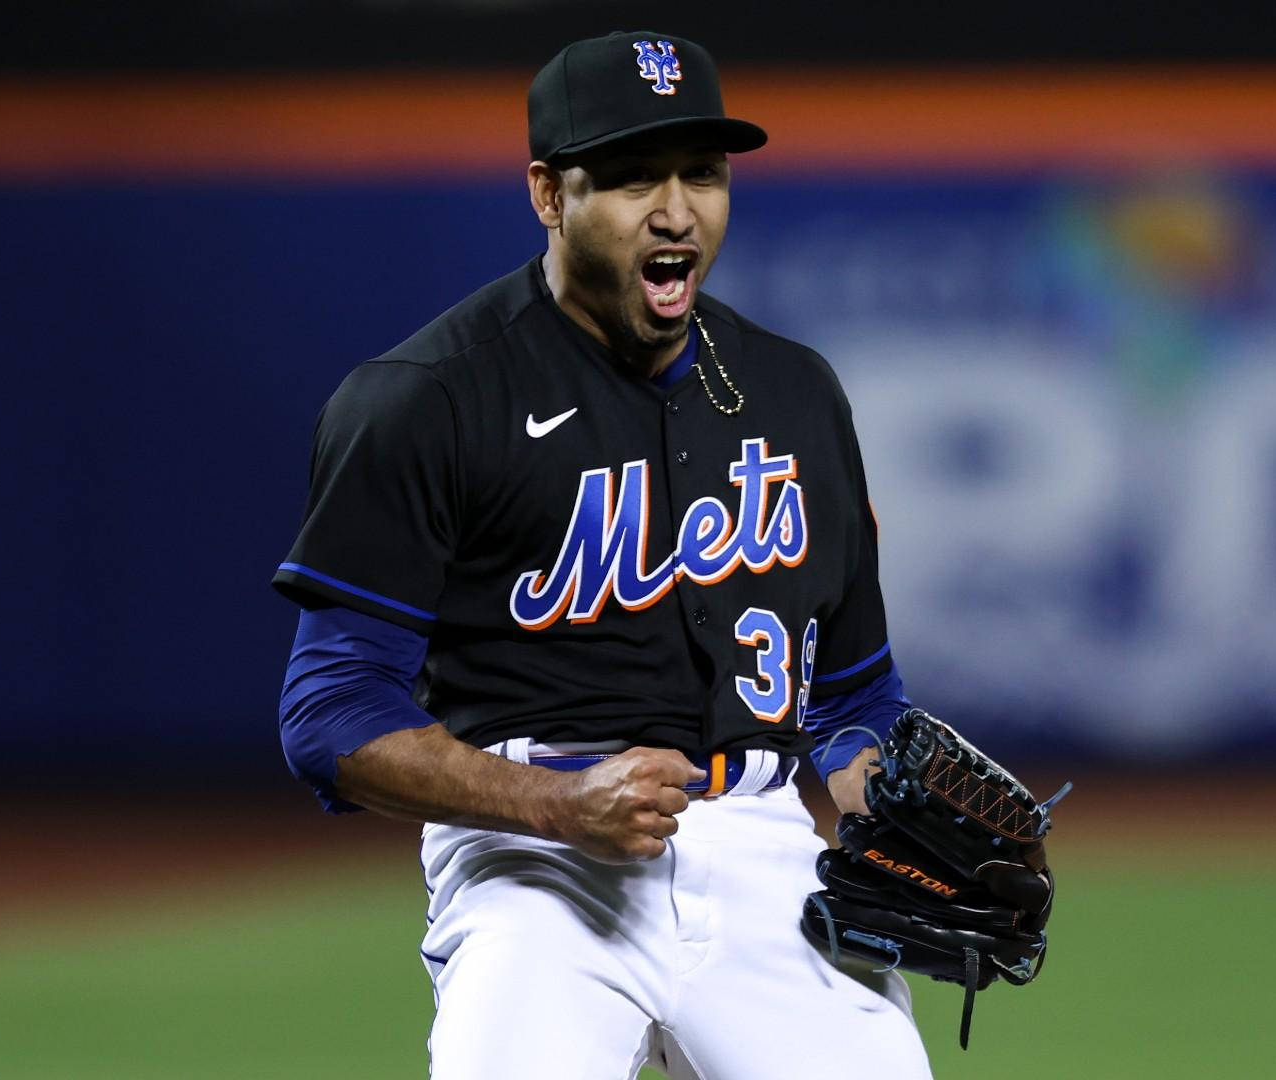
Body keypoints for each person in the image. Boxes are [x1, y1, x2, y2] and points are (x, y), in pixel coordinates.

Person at [272, 30, 934, 1079]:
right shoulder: (426, 399)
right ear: (548, 193)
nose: (676, 210)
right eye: (631, 177)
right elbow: (330, 714)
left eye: (703, 174)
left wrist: (890, 810)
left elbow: (852, 694)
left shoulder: (799, 393)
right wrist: (552, 807)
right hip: (534, 869)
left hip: (764, 849)